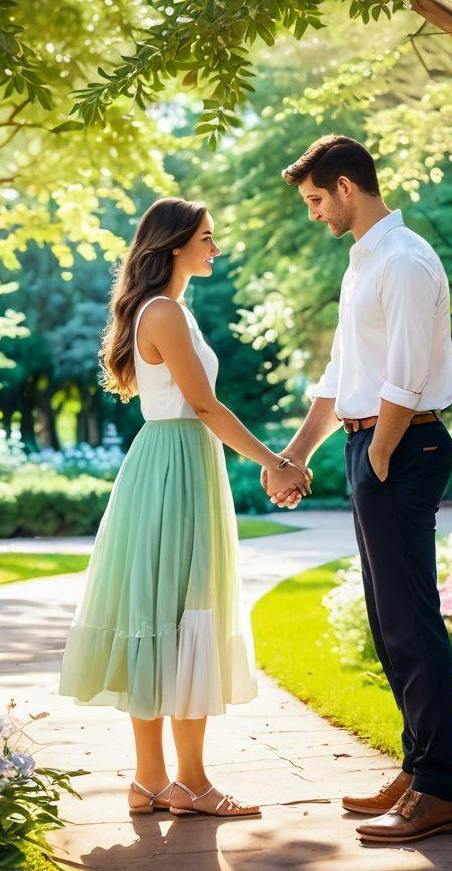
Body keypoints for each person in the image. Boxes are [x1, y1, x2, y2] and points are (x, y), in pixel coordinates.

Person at [59, 197, 311, 819]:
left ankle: (150, 782)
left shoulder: (165, 310)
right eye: (206, 237)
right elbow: (204, 405)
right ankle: (191, 783)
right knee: (182, 609)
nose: (215, 248)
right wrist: (274, 461)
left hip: (166, 464)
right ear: (174, 244)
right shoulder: (165, 312)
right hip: (177, 463)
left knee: (157, 609)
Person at [267, 135, 452, 843]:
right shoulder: (364, 263)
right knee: (391, 625)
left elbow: (407, 375)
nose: (315, 214)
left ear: (348, 186)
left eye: (318, 200)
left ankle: (442, 790)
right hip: (372, 445)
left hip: (402, 445)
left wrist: (378, 454)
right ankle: (419, 770)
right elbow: (340, 376)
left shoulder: (407, 261)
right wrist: (295, 454)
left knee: (412, 620)